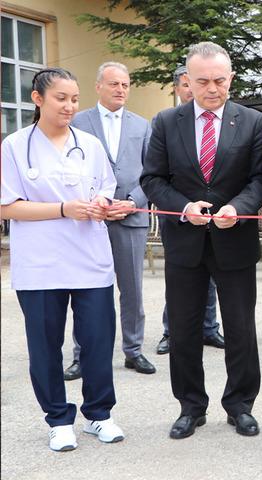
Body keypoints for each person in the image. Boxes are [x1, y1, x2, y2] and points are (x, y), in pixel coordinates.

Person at [141, 41, 262, 439]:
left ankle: (240, 405)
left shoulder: (252, 122)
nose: (212, 88)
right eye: (202, 81)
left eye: (219, 80)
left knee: (240, 328)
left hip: (235, 240)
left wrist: (239, 208)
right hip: (185, 242)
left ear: (230, 78)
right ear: (187, 81)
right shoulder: (166, 121)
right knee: (183, 328)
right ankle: (190, 407)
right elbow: (152, 180)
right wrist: (183, 207)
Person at [1, 67, 125, 451]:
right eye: (61, 98)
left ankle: (99, 415)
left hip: (90, 260)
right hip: (40, 266)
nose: (70, 106)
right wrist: (62, 209)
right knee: (45, 345)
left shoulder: (88, 143)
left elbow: (106, 186)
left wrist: (105, 204)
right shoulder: (14, 147)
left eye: (74, 98)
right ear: (38, 99)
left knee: (98, 342)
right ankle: (58, 418)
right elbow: (7, 207)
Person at [62, 62, 156, 380]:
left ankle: (133, 350)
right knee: (86, 289)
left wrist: (133, 202)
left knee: (132, 290)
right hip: (89, 219)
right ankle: (82, 354)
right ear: (98, 86)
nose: (120, 90)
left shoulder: (142, 126)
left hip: (131, 217)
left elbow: (153, 173)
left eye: (125, 85)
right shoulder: (78, 121)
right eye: (114, 84)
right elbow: (67, 169)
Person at [155, 65, 226, 356]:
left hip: (219, 218)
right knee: (181, 282)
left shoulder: (225, 121)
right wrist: (183, 206)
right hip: (180, 215)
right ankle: (172, 331)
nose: (192, 90)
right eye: (187, 85)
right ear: (179, 88)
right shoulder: (165, 122)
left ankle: (209, 327)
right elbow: (155, 174)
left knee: (211, 277)